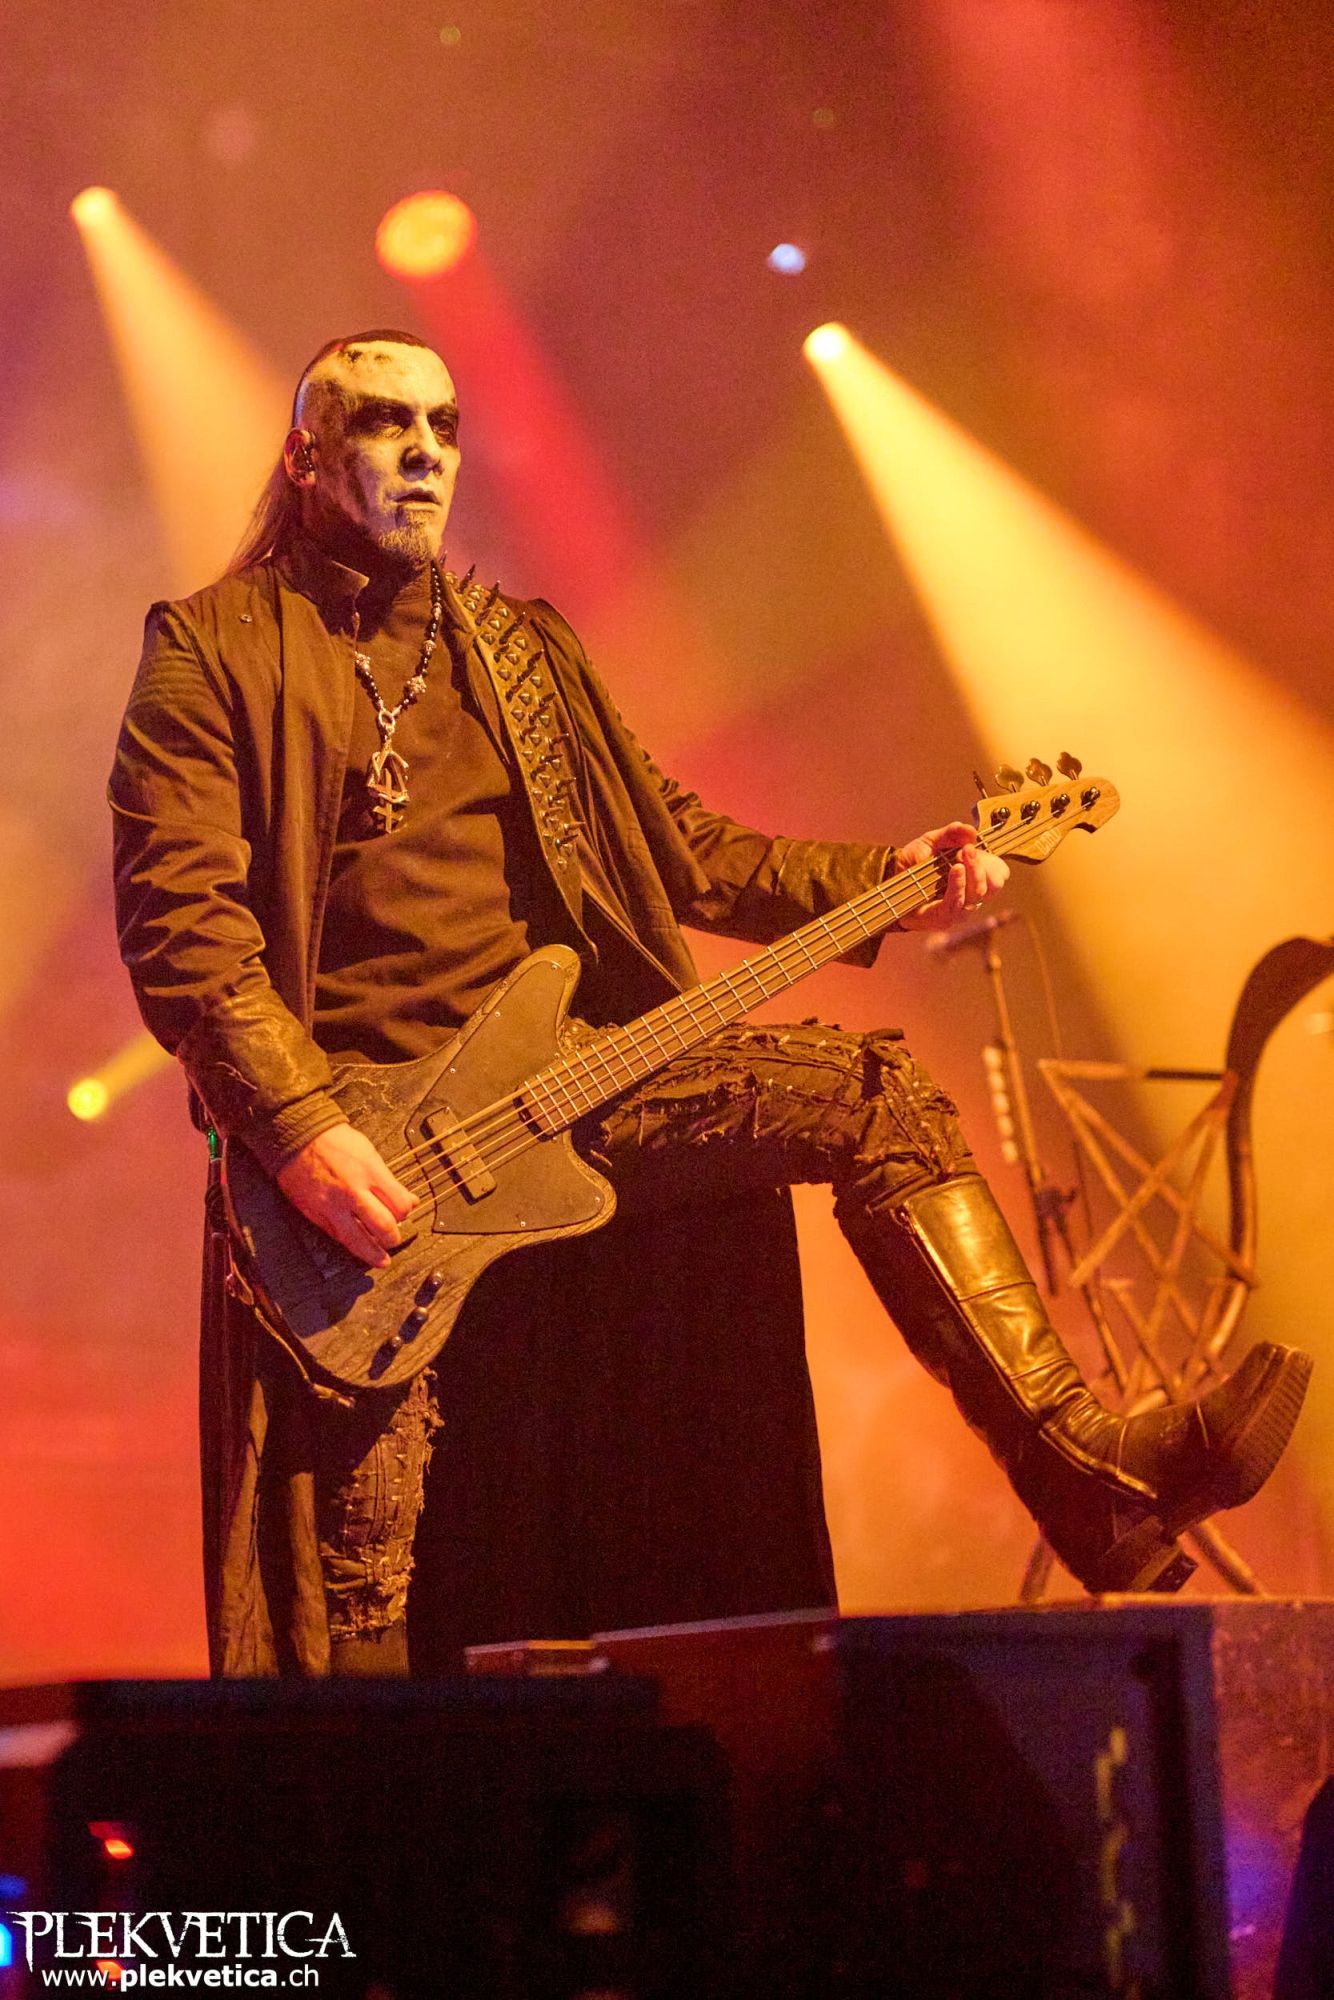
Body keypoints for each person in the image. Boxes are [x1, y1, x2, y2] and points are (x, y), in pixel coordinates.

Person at [111, 329, 1311, 1676]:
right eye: (388, 424)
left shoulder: (519, 651)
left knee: (874, 1095)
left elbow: (682, 847)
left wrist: (886, 880)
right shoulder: (212, 649)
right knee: (359, 1588)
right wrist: (298, 1127)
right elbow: (183, 924)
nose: (426, 453)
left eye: (444, 427)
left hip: (569, 1083)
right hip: (365, 1154)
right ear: (305, 454)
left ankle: (1089, 1471)